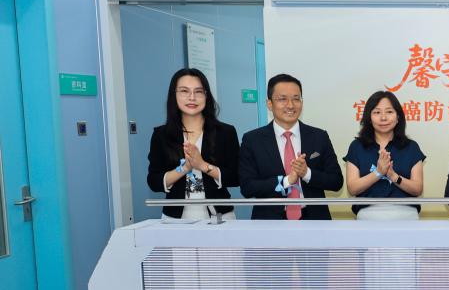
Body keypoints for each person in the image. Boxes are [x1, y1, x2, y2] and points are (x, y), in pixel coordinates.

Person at [239, 73, 343, 220]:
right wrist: (286, 181)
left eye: (296, 99)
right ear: (269, 103)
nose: (290, 105)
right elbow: (247, 187)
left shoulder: (319, 136)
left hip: (314, 220)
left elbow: (336, 181)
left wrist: (306, 173)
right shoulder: (252, 140)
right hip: (269, 221)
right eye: (282, 99)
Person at [147, 68, 240, 221]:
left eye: (198, 91)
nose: (192, 97)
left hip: (220, 217)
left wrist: (203, 165)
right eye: (184, 91)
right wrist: (184, 168)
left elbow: (236, 177)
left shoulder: (226, 132)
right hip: (174, 219)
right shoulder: (161, 135)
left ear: (206, 96)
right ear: (174, 95)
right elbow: (154, 181)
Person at [343, 90, 425, 220]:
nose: (383, 118)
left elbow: (417, 189)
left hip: (406, 215)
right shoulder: (357, 146)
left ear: (398, 117)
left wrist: (393, 176)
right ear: (369, 118)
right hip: (368, 216)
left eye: (389, 112)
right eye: (377, 112)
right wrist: (378, 172)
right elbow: (352, 188)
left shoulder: (411, 147)